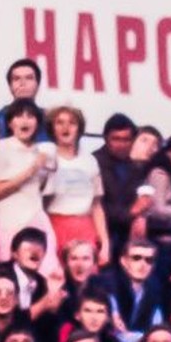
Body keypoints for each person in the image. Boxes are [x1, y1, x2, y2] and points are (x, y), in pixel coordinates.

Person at [0, 101, 53, 259]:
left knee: (47, 276)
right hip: (9, 224)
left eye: (30, 116)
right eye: (19, 116)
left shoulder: (42, 150)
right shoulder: (0, 148)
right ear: (10, 123)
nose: (25, 121)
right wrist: (31, 171)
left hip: (37, 221)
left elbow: (45, 192)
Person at [43, 105, 108, 253]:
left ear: (79, 128)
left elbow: (96, 206)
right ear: (52, 128)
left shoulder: (90, 161)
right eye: (59, 122)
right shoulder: (45, 156)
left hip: (84, 226)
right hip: (54, 225)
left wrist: (104, 243)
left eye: (72, 123)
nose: (66, 127)